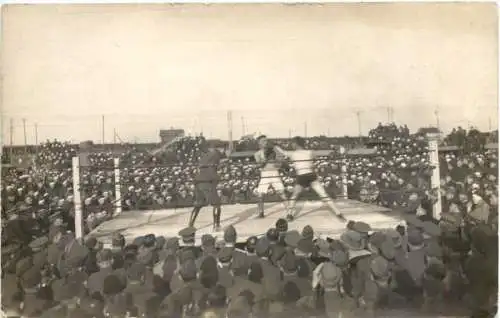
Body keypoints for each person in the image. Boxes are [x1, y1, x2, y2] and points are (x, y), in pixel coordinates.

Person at [274, 136, 346, 222]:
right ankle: (338, 213)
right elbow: (324, 153)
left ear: (296, 144)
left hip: (302, 176)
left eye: (293, 143)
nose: (292, 145)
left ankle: (289, 214)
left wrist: (275, 145)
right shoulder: (309, 152)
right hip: (310, 175)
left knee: (294, 196)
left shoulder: (293, 153)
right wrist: (335, 148)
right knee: (323, 195)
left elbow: (282, 152)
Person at [188, 140, 226, 230]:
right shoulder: (216, 153)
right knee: (217, 204)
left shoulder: (205, 155)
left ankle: (190, 224)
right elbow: (224, 157)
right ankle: (216, 226)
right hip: (208, 181)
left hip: (198, 181)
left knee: (198, 204)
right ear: (220, 148)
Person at [254, 135, 288, 218]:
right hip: (264, 174)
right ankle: (261, 213)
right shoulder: (257, 154)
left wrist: (276, 159)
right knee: (260, 195)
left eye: (266, 140)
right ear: (259, 143)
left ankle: (289, 213)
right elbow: (259, 165)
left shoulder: (274, 150)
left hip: (274, 173)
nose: (266, 142)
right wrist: (266, 159)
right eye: (263, 141)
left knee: (282, 193)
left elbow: (281, 159)